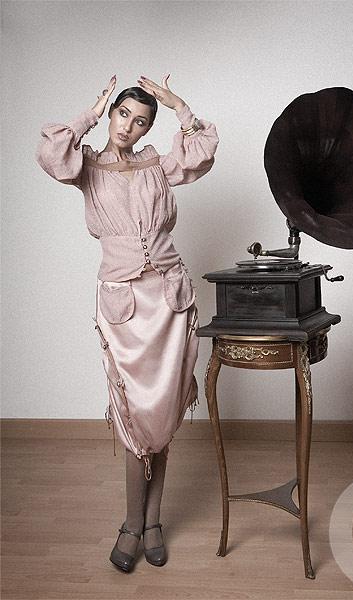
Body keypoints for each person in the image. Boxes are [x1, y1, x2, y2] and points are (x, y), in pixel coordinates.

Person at [35, 74, 219, 572]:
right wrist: (89, 114)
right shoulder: (87, 166)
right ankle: (132, 523)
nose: (128, 126)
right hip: (124, 307)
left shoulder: (158, 164)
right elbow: (52, 154)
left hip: (170, 301)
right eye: (122, 115)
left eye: (140, 121)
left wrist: (178, 104)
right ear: (111, 115)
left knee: (162, 414)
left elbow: (201, 152)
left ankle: (151, 522)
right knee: (135, 416)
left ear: (147, 129)